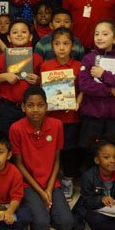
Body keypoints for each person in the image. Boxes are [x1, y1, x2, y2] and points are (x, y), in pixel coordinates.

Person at [10, 86, 74, 230]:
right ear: (23, 107)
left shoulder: (57, 125)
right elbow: (18, 164)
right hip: (28, 184)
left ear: (46, 106)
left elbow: (57, 160)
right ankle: (34, 209)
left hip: (51, 182)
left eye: (40, 105)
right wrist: (41, 192)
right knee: (41, 225)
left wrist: (49, 190)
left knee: (66, 223)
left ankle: (45, 207)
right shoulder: (16, 129)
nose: (36, 110)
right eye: (30, 105)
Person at [78, 20, 115, 153]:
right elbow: (85, 85)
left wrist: (104, 74)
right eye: (96, 34)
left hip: (114, 119)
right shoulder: (89, 58)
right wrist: (109, 90)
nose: (99, 37)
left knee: (112, 155)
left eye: (104, 34)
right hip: (92, 118)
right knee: (90, 155)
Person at [39, 27, 83, 200]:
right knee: (51, 150)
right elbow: (42, 90)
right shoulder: (45, 66)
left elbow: (83, 89)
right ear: (52, 46)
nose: (62, 48)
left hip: (71, 118)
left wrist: (78, 101)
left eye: (66, 43)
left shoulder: (79, 67)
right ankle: (51, 180)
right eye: (57, 44)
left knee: (70, 151)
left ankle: (68, 181)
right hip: (51, 118)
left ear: (72, 46)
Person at [0, 20, 43, 134]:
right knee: (6, 139)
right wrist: (5, 76)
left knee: (30, 138)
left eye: (23, 32)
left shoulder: (37, 58)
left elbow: (46, 82)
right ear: (9, 38)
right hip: (8, 108)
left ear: (31, 36)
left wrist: (38, 80)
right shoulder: (2, 57)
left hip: (31, 107)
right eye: (15, 32)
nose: (19, 35)